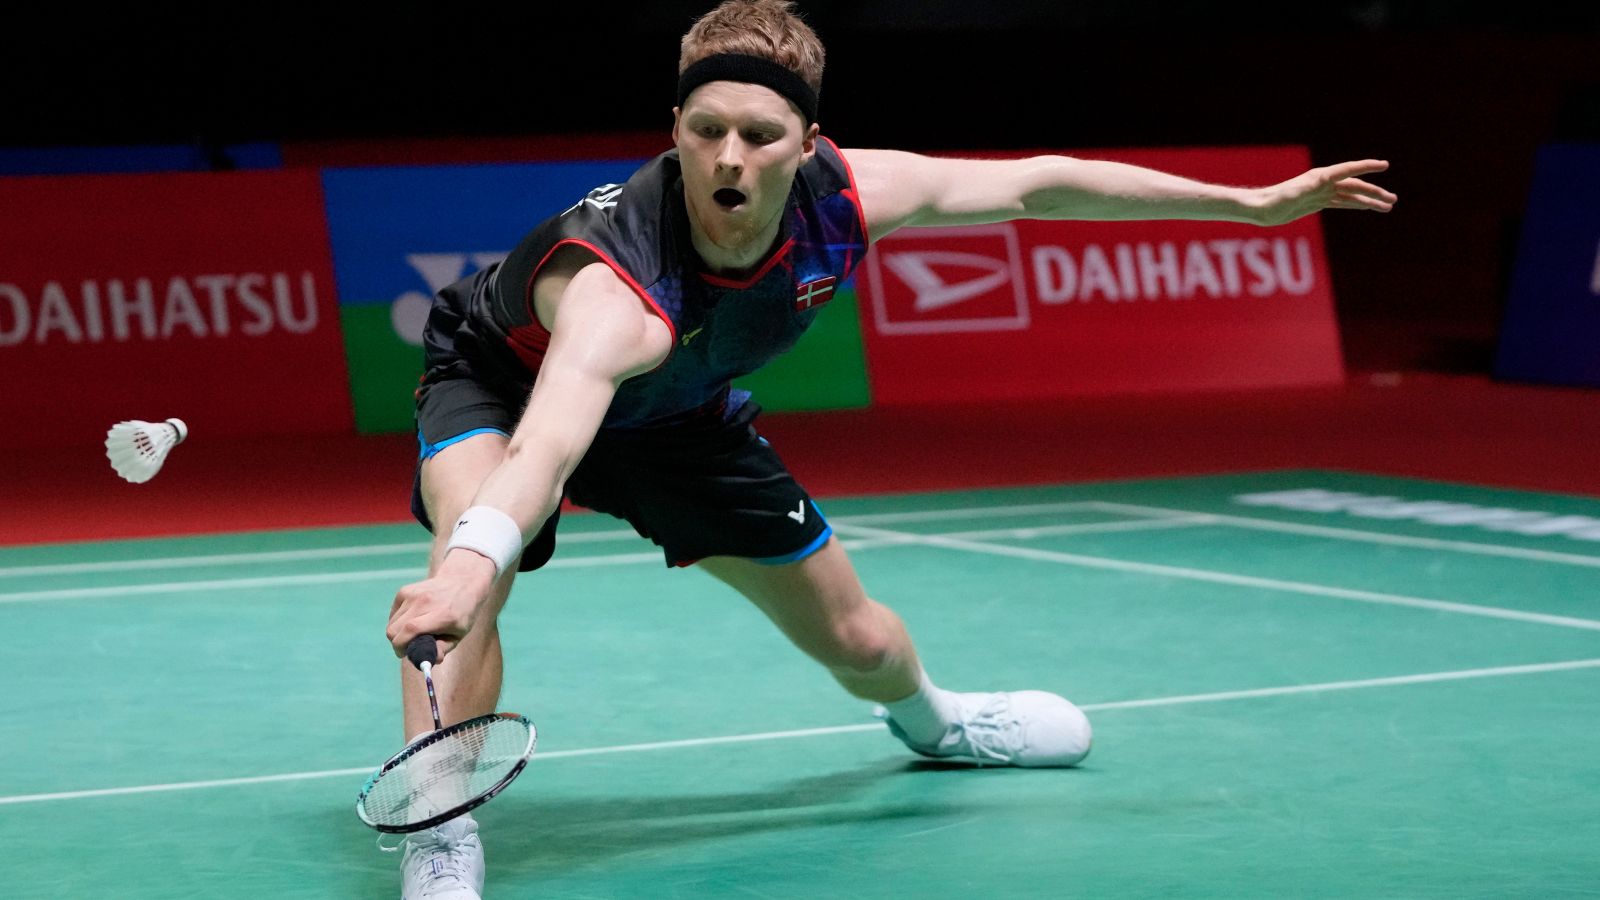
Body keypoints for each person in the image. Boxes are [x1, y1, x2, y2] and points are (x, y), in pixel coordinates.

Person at [383, 1, 1398, 895]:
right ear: (676, 132)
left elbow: (1039, 185)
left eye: (758, 133)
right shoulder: (615, 290)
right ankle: (437, 821)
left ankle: (938, 724)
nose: (729, 157)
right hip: (508, 385)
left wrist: (1249, 206)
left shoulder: (854, 195)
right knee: (465, 592)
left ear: (808, 141)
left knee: (860, 642)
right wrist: (470, 571)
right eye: (705, 131)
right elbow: (550, 446)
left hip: (680, 416)